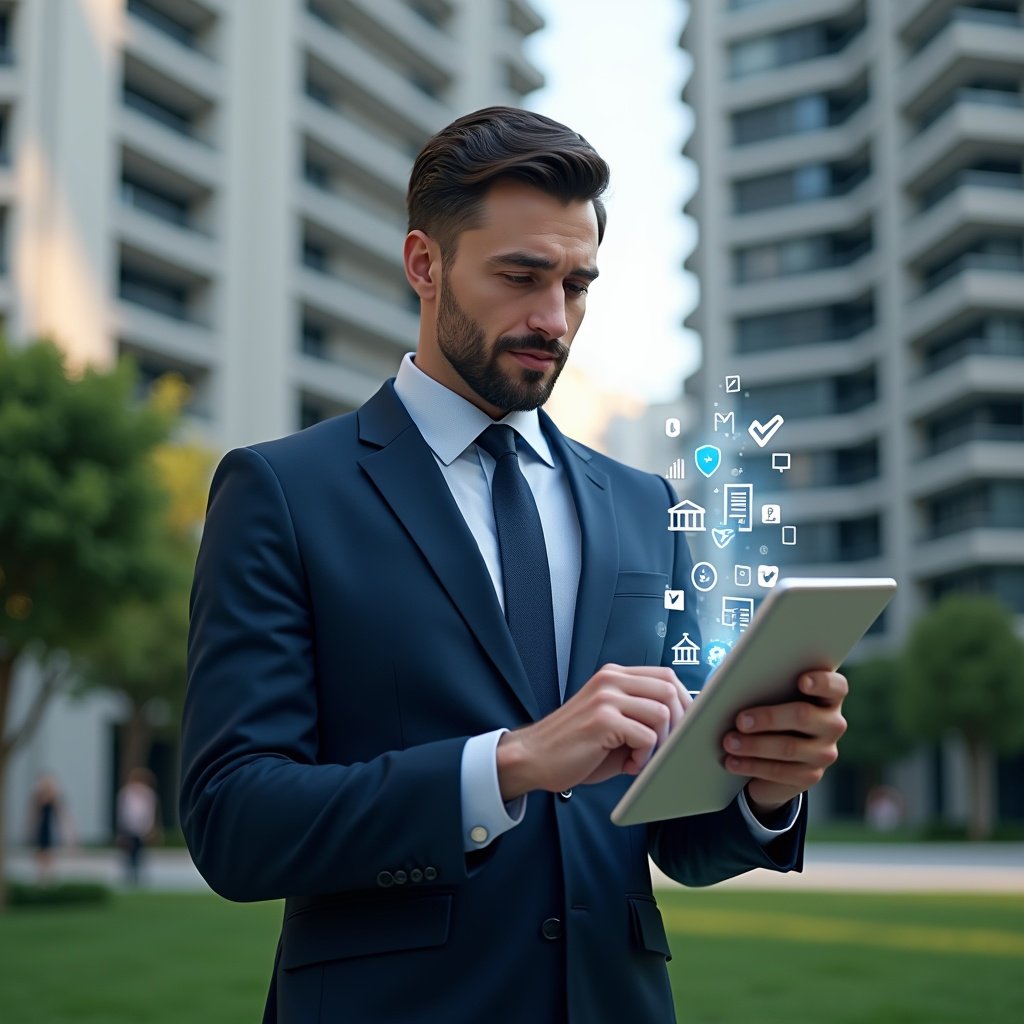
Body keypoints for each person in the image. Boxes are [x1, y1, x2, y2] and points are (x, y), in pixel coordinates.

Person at [181, 106, 848, 1024]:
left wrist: (764, 782)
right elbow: (232, 820)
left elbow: (682, 842)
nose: (555, 318)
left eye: (578, 284)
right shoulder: (282, 492)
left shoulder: (647, 506)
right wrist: (510, 764)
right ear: (425, 264)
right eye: (522, 276)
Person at [26, 773, 75, 885]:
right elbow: (32, 815)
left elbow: (62, 815)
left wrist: (68, 834)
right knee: (40, 853)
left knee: (49, 853)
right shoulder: (37, 796)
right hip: (41, 828)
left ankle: (48, 878)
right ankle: (42, 877)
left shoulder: (55, 796)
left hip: (49, 828)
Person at [116, 767, 160, 885]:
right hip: (129, 828)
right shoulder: (126, 793)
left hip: (143, 829)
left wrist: (151, 829)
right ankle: (130, 876)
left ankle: (137, 877)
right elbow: (122, 812)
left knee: (139, 853)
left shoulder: (148, 794)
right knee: (129, 853)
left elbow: (151, 813)